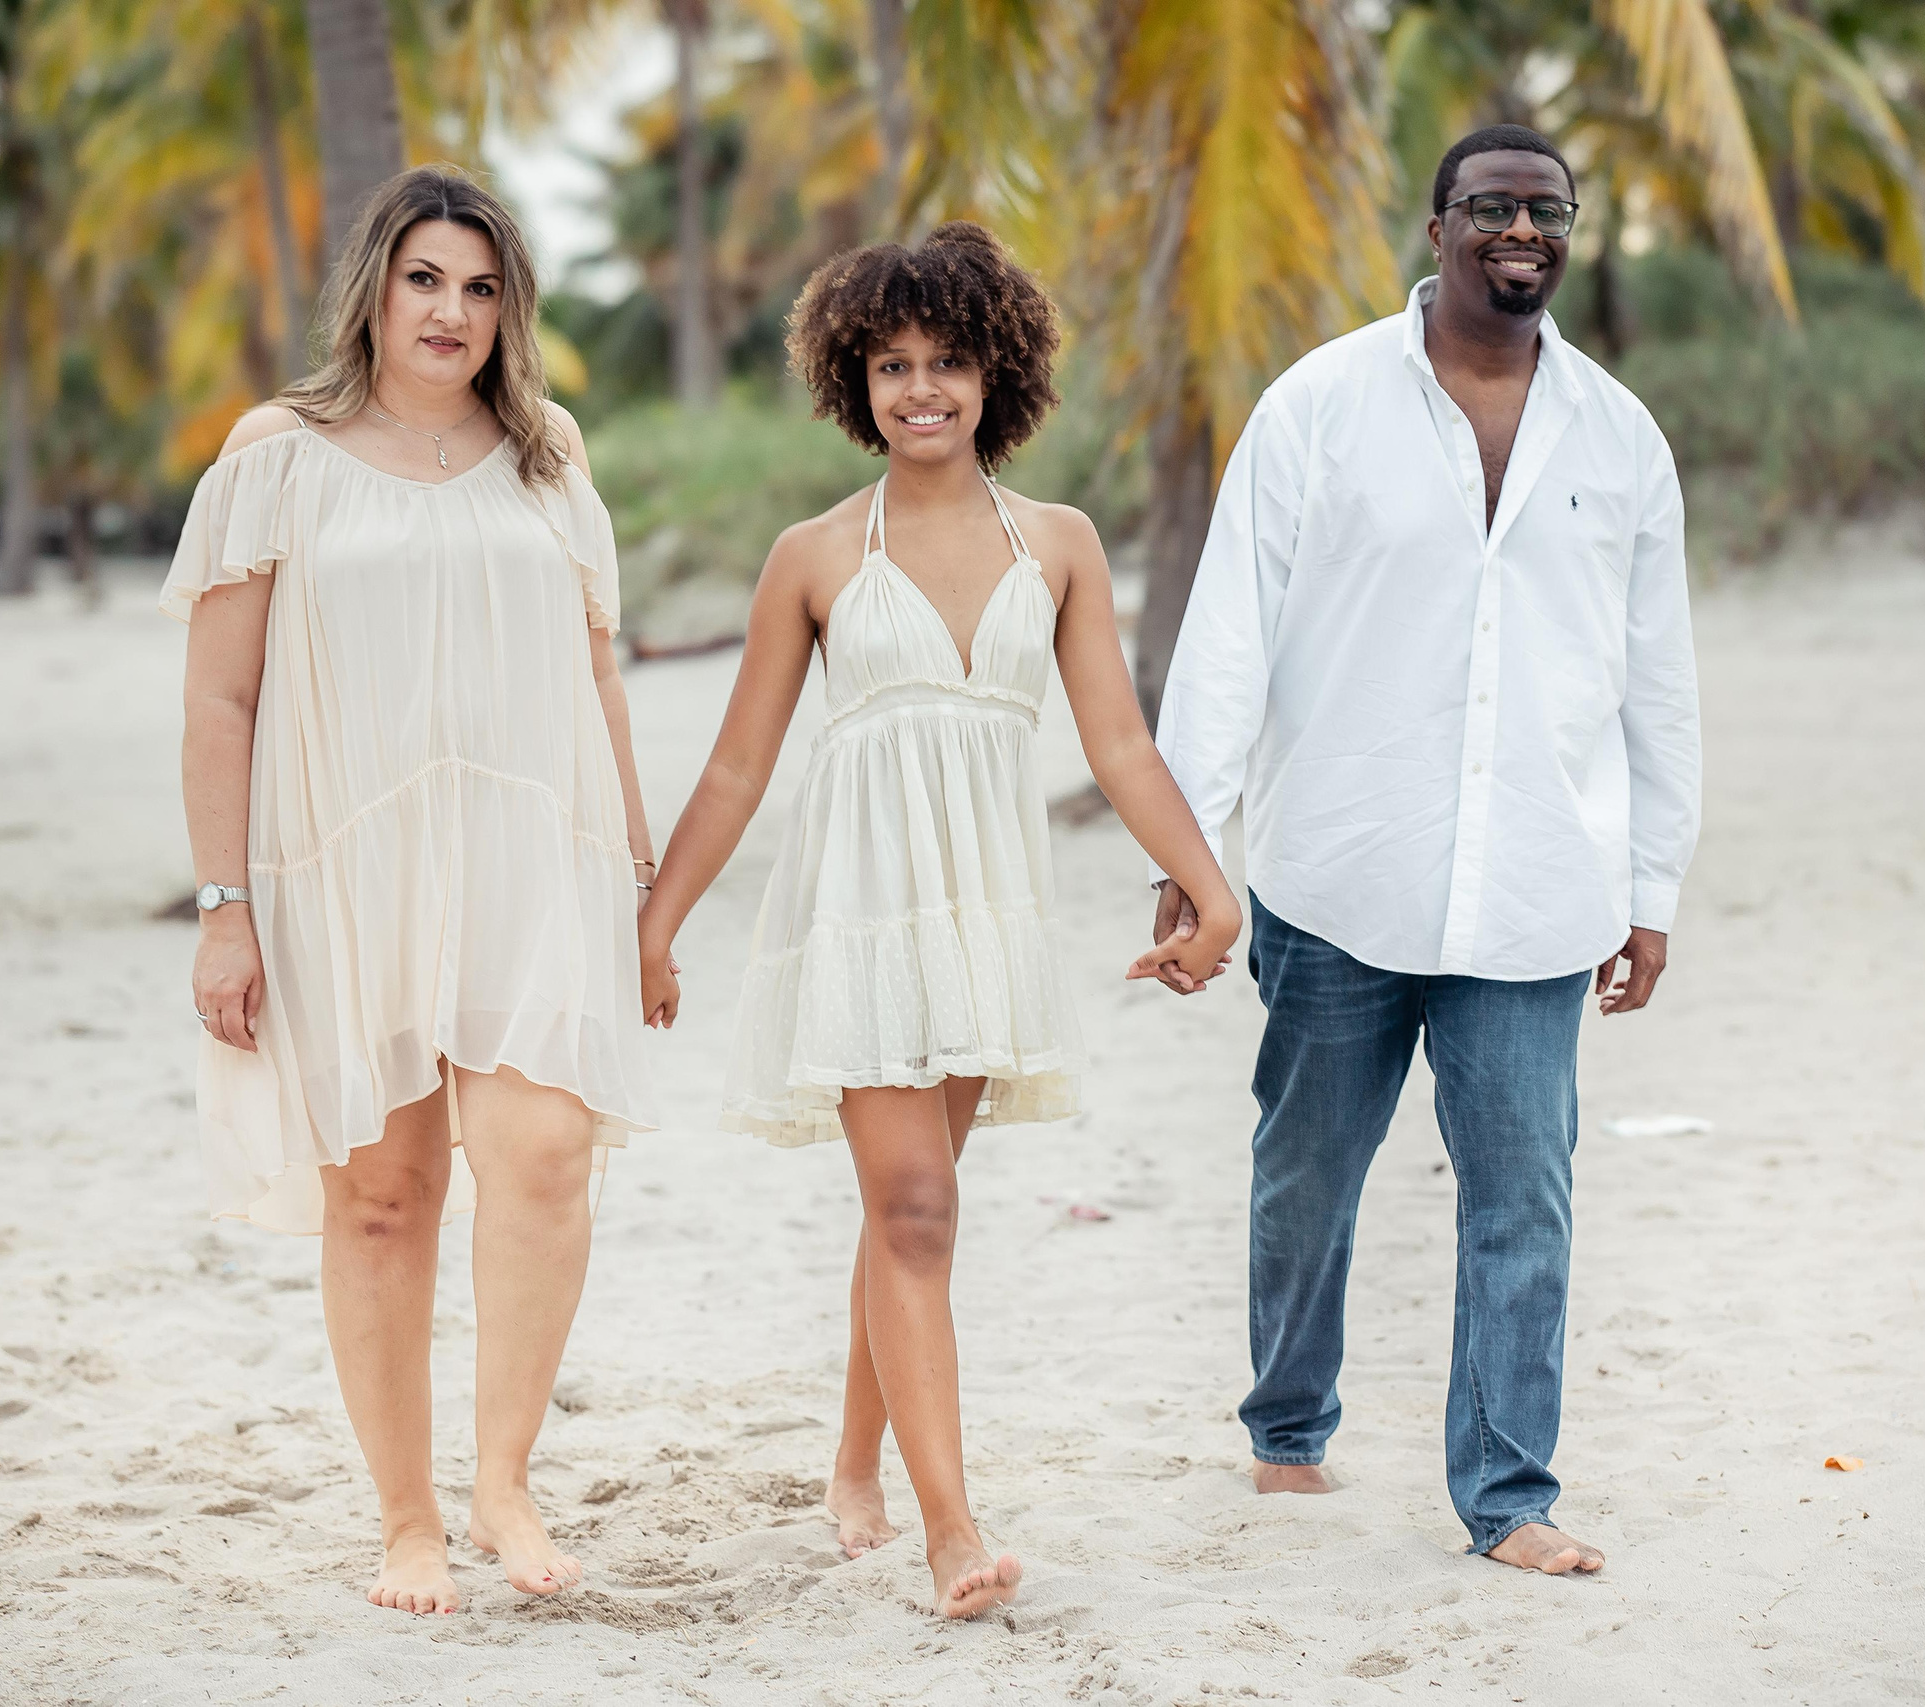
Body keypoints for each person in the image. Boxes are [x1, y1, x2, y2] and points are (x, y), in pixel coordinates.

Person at [635, 223, 1241, 1619]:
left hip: (983, 910)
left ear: (996, 372)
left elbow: (1124, 748)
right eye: (892, 364)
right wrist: (661, 922)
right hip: (858, 909)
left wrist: (1213, 888)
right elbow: (737, 766)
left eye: (949, 361)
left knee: (919, 1209)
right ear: (854, 379)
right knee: (909, 1208)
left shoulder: (1064, 544)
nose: (922, 390)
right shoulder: (811, 555)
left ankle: (856, 1459)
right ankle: (950, 1527)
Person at [1149, 124, 1702, 1576]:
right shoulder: (1321, 405)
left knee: (1526, 1196)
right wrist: (1197, 853)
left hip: (1536, 888)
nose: (1521, 229)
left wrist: (1651, 888)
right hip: (1339, 871)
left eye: (1547, 209)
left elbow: (1659, 681)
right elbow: (1228, 639)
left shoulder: (1620, 437)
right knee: (1306, 1173)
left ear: (1570, 233)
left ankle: (1509, 1496)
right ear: (1440, 222)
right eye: (1492, 206)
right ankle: (1287, 1426)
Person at [166, 166, 661, 1615]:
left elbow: (597, 674)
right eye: (426, 279)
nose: (452, 311)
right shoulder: (277, 452)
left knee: (546, 1158)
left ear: (512, 310)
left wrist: (637, 887)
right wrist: (223, 908)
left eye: (483, 286)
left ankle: (502, 1479)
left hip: (530, 865)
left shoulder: (547, 452)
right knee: (383, 1197)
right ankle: (405, 1521)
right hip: (346, 871)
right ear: (375, 287)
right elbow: (219, 702)